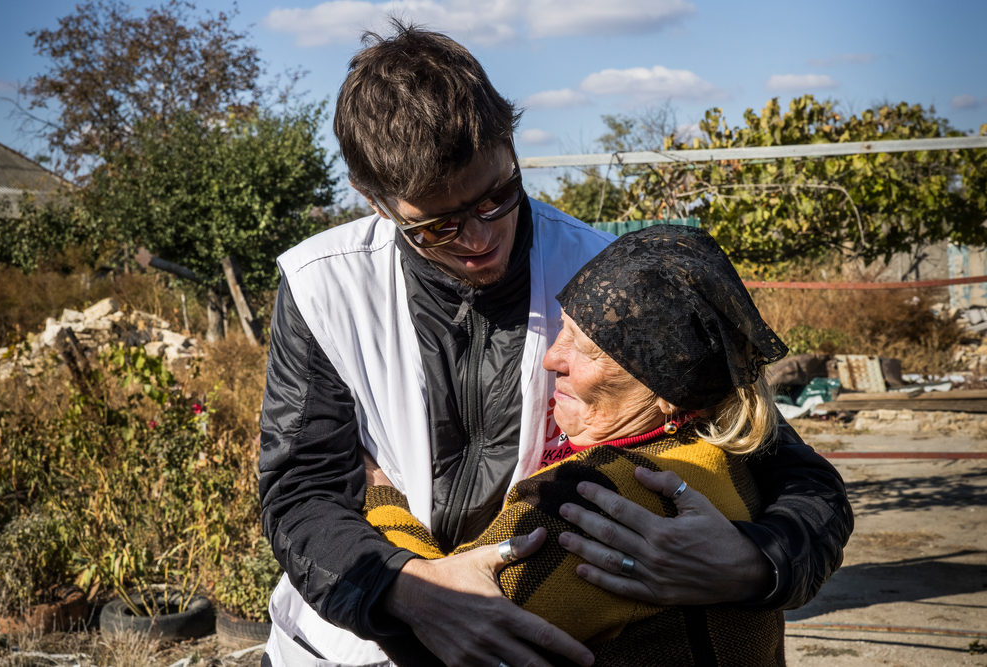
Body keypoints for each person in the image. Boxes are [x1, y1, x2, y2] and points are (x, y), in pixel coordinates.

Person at [258, 21, 853, 667]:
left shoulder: (604, 275)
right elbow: (301, 490)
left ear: (510, 145)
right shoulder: (323, 284)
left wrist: (756, 561)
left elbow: (791, 470)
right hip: (349, 647)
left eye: (498, 196)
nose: (480, 237)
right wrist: (404, 588)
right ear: (375, 202)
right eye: (438, 227)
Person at [362, 224, 796, 666]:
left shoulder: (600, 499)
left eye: (586, 349)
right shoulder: (724, 457)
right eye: (562, 329)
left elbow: (439, 627)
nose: (552, 358)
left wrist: (378, 496)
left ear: (669, 390)